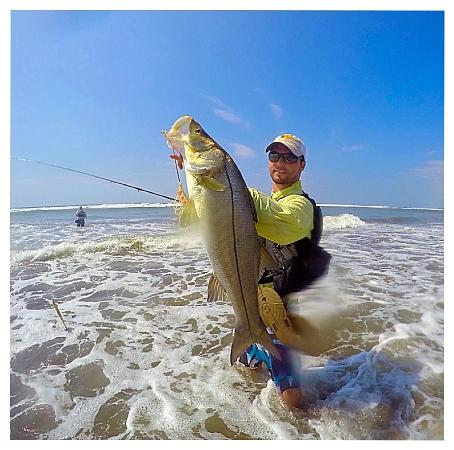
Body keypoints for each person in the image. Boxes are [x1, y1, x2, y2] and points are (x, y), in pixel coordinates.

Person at [170, 133, 329, 409]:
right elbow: (201, 223)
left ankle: (308, 430)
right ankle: (251, 414)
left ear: (302, 164)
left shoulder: (301, 206)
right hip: (251, 303)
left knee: (291, 400)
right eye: (274, 156)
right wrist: (195, 191)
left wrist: (227, 191)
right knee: (246, 369)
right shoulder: (249, 203)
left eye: (289, 157)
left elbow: (279, 221)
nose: (281, 162)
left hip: (280, 312)